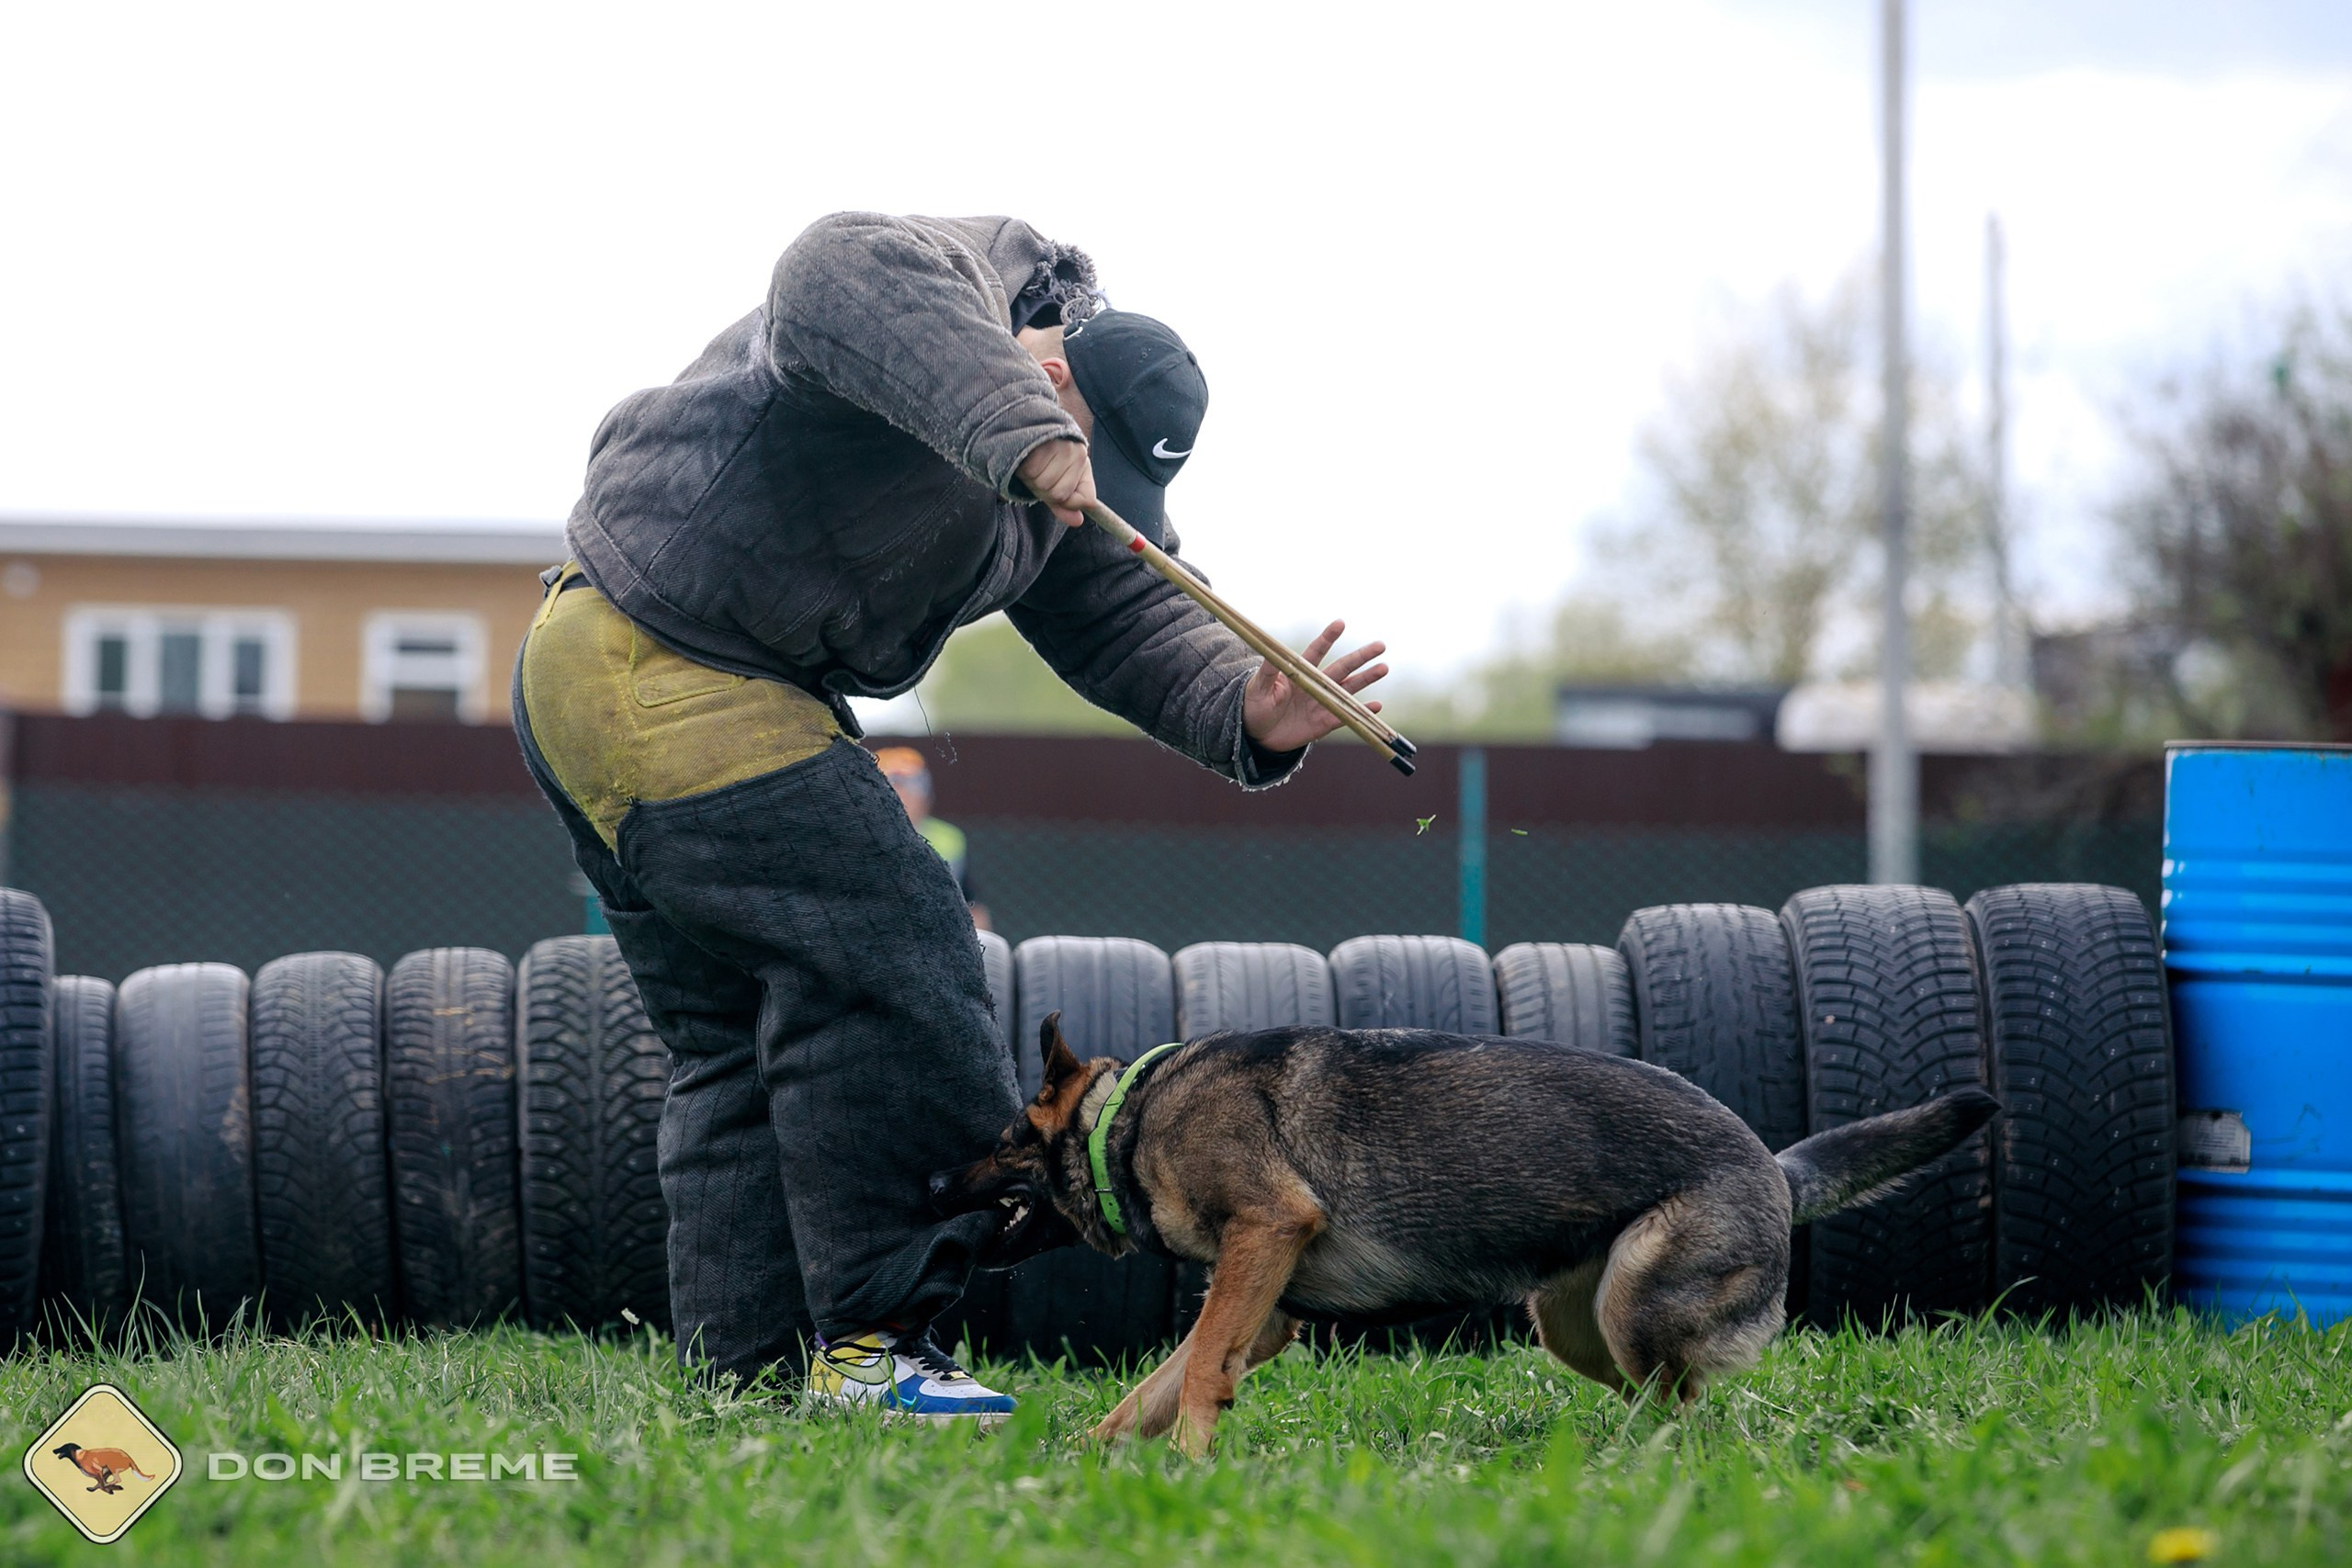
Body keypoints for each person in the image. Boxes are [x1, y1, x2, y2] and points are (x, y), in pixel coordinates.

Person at [510, 212, 1388, 1422]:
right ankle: (879, 1339)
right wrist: (1027, 434)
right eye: (1076, 450)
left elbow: (1124, 617)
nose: (1079, 496)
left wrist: (1248, 708)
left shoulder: (1053, 489)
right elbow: (831, 266)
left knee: (738, 1040)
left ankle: (747, 1376)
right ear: (1057, 375)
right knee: (902, 944)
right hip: (662, 659)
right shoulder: (948, 296)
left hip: (628, 675)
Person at [873, 747, 989, 930]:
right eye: (889, 790)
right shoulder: (854, 837)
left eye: (907, 790)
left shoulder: (948, 839)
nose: (900, 800)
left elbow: (971, 905)